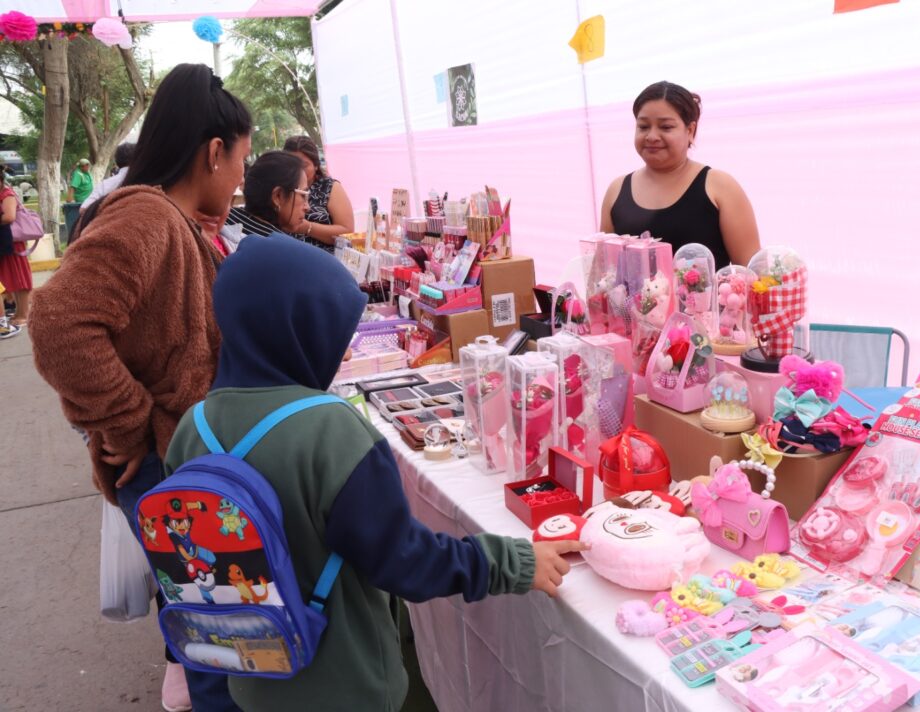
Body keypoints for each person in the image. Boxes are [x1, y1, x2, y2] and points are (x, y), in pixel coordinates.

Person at [165, 233, 583, 711]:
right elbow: (404, 559)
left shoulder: (191, 428)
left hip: (251, 675)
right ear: (299, 329)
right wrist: (514, 563)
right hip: (345, 684)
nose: (342, 355)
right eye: (334, 336)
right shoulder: (331, 430)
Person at [30, 63, 252, 712]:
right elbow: (58, 322)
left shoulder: (174, 222)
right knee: (220, 646)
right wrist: (128, 423)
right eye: (240, 160)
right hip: (166, 465)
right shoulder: (148, 217)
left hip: (179, 461)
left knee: (218, 634)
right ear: (213, 152)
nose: (242, 179)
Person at [601, 81, 760, 268]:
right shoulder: (616, 190)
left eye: (666, 127)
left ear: (690, 130)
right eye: (643, 126)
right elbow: (603, 272)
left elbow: (752, 273)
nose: (652, 136)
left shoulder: (719, 186)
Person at [284, 135, 355, 253]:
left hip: (325, 259)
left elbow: (347, 233)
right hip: (287, 256)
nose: (298, 171)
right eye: (292, 165)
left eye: (304, 165)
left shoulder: (330, 187)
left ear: (315, 165)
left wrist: (307, 227)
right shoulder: (281, 190)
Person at [224, 151, 310, 240]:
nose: (307, 207)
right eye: (303, 195)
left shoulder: (224, 219)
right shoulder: (283, 249)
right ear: (278, 196)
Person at [0, 179, 31, 327]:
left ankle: (24, 313)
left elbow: (9, 216)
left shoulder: (7, 194)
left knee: (19, 277)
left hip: (13, 242)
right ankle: (19, 312)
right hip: (6, 241)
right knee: (12, 278)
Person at [81, 142, 136, 211]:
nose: (86, 167)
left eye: (87, 165)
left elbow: (83, 209)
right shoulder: (148, 183)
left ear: (116, 162)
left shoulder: (104, 185)